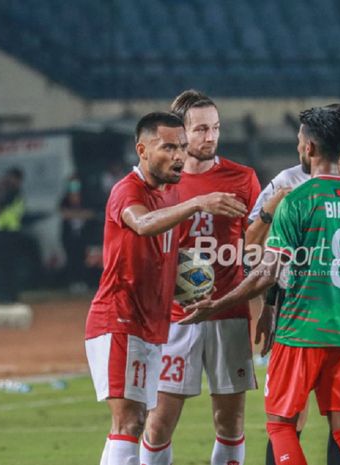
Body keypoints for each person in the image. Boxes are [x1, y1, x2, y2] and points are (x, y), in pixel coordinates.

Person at [183, 107, 340, 465]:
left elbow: (267, 272)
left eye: (302, 139)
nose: (299, 145)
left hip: (301, 327)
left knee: (282, 425)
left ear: (311, 148)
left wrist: (218, 305)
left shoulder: (295, 200)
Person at [84, 111, 247, 465]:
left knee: (135, 421)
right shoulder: (128, 190)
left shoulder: (168, 195)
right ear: (142, 149)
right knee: (128, 422)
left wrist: (190, 282)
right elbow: (141, 224)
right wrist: (196, 202)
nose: (179, 156)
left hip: (150, 324)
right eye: (168, 147)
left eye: (182, 148)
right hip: (120, 319)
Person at [244, 103, 340, 465]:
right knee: (304, 418)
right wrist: (269, 306)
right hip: (318, 312)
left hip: (321, 319)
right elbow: (252, 244)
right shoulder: (287, 182)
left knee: (327, 421)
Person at [140, 90, 261, 465]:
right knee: (159, 422)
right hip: (176, 319)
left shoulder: (242, 178)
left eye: (216, 128)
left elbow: (257, 246)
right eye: (202, 129)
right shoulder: (162, 185)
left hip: (228, 313)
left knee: (230, 420)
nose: (211, 137)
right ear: (181, 133)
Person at [0, 166, 26, 302]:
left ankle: (5, 295)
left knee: (4, 266)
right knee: (8, 265)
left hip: (6, 233)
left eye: (11, 177)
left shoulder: (11, 193)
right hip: (10, 233)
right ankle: (10, 295)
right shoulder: (15, 192)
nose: (8, 180)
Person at [59, 174, 96, 292]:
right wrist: (79, 214)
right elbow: (63, 213)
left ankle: (83, 282)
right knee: (71, 259)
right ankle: (73, 283)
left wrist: (73, 214)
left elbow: (90, 214)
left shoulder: (86, 197)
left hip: (83, 235)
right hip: (69, 236)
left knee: (83, 259)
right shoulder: (65, 199)